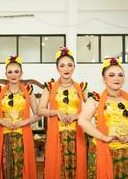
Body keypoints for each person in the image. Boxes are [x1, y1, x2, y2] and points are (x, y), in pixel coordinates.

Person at [78, 57, 128, 179]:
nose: (117, 78)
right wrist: (104, 137)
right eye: (112, 75)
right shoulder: (96, 99)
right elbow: (82, 120)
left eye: (120, 75)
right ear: (104, 79)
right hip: (105, 151)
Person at [37, 47, 88, 179]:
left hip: (77, 134)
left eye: (70, 65)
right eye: (62, 65)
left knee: (77, 167)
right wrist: (56, 112)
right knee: (57, 168)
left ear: (74, 67)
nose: (66, 68)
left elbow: (92, 110)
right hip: (56, 134)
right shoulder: (49, 87)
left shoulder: (82, 87)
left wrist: (77, 116)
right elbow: (40, 109)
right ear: (57, 68)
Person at [0, 56, 40, 179]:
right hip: (3, 133)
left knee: (21, 166)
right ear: (6, 74)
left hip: (22, 134)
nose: (13, 74)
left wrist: (25, 122)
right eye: (10, 72)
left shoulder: (28, 91)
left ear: (21, 73)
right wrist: (1, 120)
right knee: (4, 165)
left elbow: (39, 114)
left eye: (16, 71)